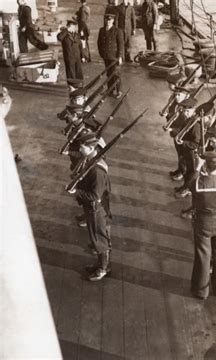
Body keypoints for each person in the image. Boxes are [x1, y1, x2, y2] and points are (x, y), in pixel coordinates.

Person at [190, 151, 216, 300]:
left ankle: (201, 292)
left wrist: (197, 168)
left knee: (203, 255)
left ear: (205, 166)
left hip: (203, 223)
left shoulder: (199, 182)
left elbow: (191, 184)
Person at [70, 132, 112, 281]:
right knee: (96, 237)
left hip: (96, 209)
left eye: (82, 147)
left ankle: (103, 268)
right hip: (92, 207)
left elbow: (95, 195)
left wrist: (77, 192)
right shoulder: (91, 160)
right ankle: (100, 264)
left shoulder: (96, 170)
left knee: (99, 239)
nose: (80, 149)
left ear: (90, 147)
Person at [174, 97, 201, 198]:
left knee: (190, 172)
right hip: (185, 151)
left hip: (191, 153)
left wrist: (183, 142)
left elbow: (196, 144)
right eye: (184, 111)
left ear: (194, 110)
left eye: (187, 111)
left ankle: (187, 189)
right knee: (186, 171)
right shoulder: (189, 120)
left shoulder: (196, 125)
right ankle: (184, 186)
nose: (185, 113)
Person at [165, 86, 192, 181]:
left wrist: (173, 130)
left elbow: (185, 128)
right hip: (175, 135)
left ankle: (182, 172)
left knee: (183, 156)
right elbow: (171, 116)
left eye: (179, 94)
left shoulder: (188, 108)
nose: (177, 96)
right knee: (179, 154)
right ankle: (180, 169)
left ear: (187, 95)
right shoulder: (175, 104)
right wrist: (167, 116)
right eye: (176, 94)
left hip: (183, 138)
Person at [98, 13, 124, 98]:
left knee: (116, 74)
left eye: (110, 20)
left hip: (114, 56)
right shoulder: (102, 30)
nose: (108, 22)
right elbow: (99, 43)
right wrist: (101, 53)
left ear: (113, 21)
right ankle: (110, 90)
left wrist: (120, 56)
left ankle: (118, 91)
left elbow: (121, 44)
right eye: (107, 20)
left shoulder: (117, 31)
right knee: (109, 74)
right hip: (106, 56)